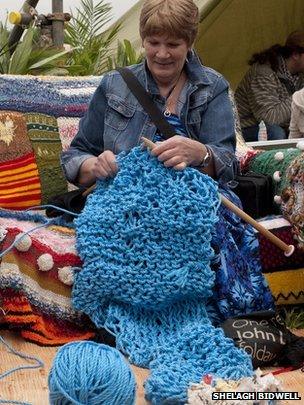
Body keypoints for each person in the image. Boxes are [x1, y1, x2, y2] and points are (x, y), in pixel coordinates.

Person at [61, 0, 273, 323]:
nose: (162, 53)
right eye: (153, 43)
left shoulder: (212, 87)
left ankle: (196, 319)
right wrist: (94, 165)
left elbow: (229, 162)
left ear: (190, 43)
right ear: (143, 41)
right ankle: (143, 318)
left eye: (173, 44)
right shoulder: (114, 85)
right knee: (124, 227)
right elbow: (75, 155)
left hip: (194, 201)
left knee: (204, 224)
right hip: (126, 201)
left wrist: (200, 154)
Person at [235, 31, 304, 142]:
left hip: (280, 126)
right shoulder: (263, 73)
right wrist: (299, 97)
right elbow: (269, 118)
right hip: (247, 129)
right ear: (296, 54)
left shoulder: (299, 74)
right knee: (275, 132)